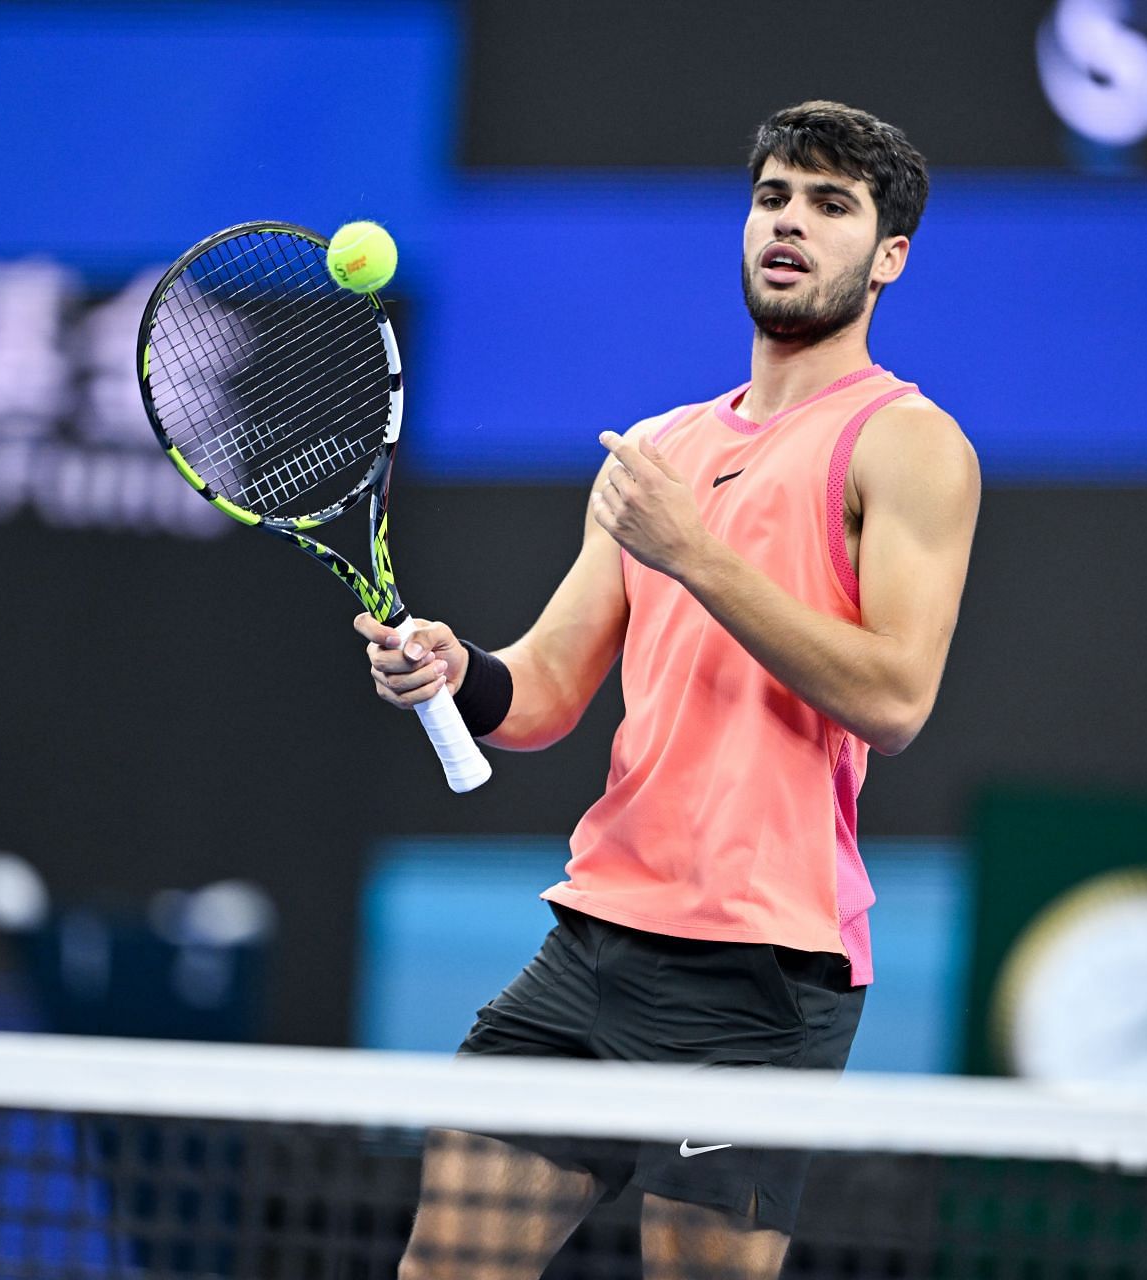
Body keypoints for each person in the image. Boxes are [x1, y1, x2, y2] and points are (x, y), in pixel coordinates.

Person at [355, 100, 981, 1280]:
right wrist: (456, 671)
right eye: (773, 197)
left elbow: (897, 698)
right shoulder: (661, 454)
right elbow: (541, 691)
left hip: (762, 977)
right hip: (594, 947)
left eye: (830, 205)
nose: (789, 225)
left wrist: (699, 553)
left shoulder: (910, 446)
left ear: (888, 255)